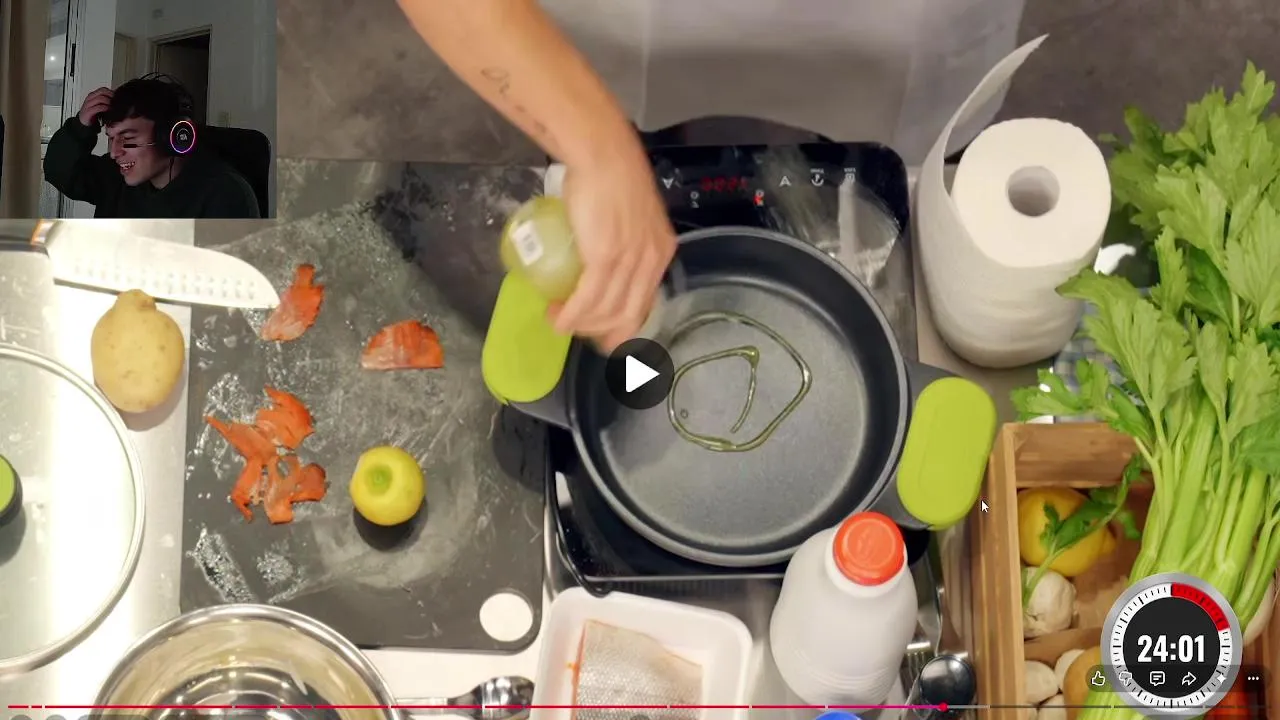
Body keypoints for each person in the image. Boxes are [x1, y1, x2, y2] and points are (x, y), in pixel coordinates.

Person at [394, 0, 1022, 352]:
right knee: (637, 141)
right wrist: (596, 144)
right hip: (624, 22)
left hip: (904, 23)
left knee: (901, 177)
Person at [43, 76, 260, 219]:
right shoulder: (114, 175)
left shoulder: (224, 193)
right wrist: (81, 125)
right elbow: (58, 170)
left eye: (128, 138)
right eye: (111, 138)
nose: (115, 153)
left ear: (171, 135)